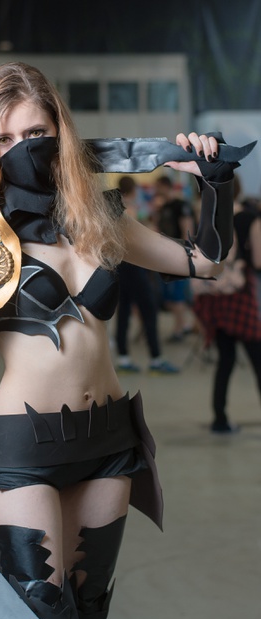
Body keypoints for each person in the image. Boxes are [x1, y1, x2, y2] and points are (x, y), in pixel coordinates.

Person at [0, 62, 240, 619]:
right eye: (4, 138)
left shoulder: (99, 216)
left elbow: (205, 262)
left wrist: (213, 182)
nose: (22, 148)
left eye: (36, 133)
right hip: (24, 446)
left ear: (59, 131)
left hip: (109, 440)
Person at [192, 175, 261, 434]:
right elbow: (258, 260)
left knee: (225, 360)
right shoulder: (249, 218)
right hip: (240, 294)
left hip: (213, 295)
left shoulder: (206, 217)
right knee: (257, 358)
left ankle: (219, 419)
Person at [115, 176, 180, 374]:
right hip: (134, 266)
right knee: (149, 309)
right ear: (133, 189)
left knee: (123, 312)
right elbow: (140, 236)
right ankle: (156, 359)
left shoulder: (114, 209)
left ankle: (123, 358)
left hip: (119, 266)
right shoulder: (131, 209)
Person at [150, 174, 196, 341]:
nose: (155, 190)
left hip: (178, 256)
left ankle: (180, 329)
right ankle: (184, 325)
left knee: (178, 296)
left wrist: (184, 254)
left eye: (157, 187)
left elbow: (187, 230)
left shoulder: (180, 205)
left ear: (165, 186)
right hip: (165, 257)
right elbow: (156, 229)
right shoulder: (162, 207)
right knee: (169, 298)